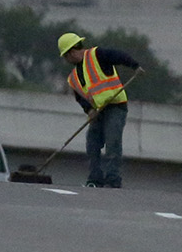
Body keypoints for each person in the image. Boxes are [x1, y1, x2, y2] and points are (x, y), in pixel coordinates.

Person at [57, 32, 143, 188]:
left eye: (66, 56)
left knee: (113, 142)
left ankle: (112, 179)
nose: (66, 60)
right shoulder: (73, 78)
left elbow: (119, 56)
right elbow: (81, 98)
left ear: (71, 52)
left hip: (116, 106)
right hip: (98, 111)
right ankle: (95, 179)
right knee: (92, 144)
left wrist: (134, 65)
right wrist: (89, 110)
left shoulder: (97, 55)